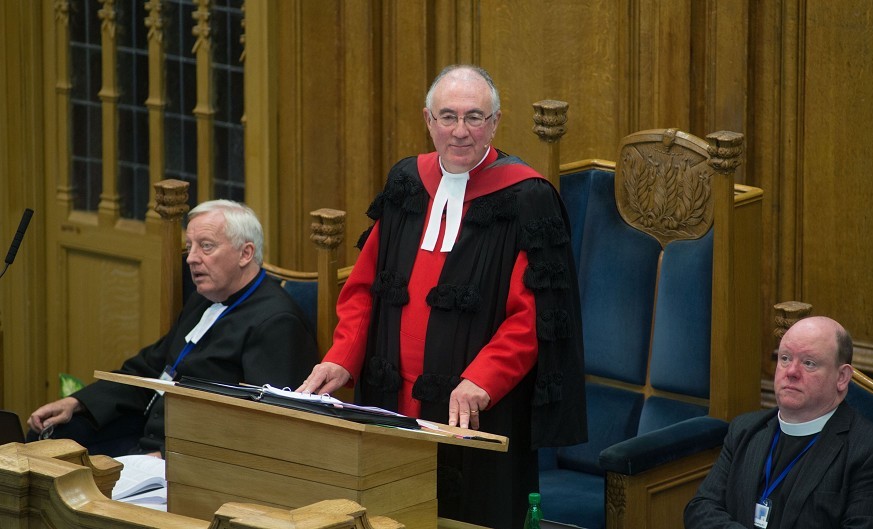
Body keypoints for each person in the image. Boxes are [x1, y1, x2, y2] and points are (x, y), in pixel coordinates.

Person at [297, 64, 587, 528]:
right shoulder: (406, 182)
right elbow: (364, 287)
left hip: (475, 408)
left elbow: (536, 314)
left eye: (474, 117)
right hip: (390, 399)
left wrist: (484, 380)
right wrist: (342, 357)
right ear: (428, 120)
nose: (459, 131)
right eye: (447, 116)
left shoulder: (527, 198)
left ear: (495, 123)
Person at [27, 199, 317, 457]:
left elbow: (262, 427)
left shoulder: (277, 323)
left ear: (245, 253)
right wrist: (76, 402)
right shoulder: (203, 300)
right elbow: (150, 368)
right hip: (145, 436)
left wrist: (169, 457)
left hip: (194, 460)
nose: (191, 258)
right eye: (190, 247)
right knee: (48, 438)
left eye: (206, 246)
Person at [684, 316, 873, 529]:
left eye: (809, 363)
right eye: (785, 358)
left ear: (842, 378)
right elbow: (700, 509)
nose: (791, 372)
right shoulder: (744, 429)